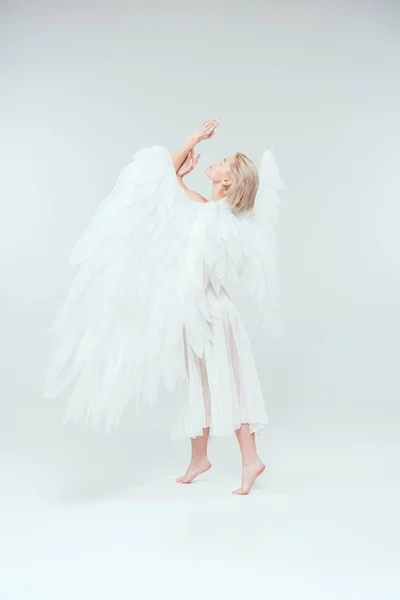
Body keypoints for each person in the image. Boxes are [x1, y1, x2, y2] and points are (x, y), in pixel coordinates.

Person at [43, 118, 286, 495]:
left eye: (223, 163)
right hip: (206, 313)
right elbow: (163, 186)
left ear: (227, 182)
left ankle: (250, 459)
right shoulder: (213, 214)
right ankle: (199, 458)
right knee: (202, 383)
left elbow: (162, 181)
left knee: (229, 384)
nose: (216, 162)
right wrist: (180, 176)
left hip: (214, 315)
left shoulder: (212, 217)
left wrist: (192, 142)